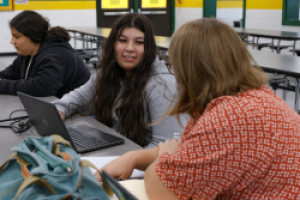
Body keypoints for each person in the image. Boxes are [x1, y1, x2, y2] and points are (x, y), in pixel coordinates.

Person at [96, 18, 300, 200]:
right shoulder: (254, 96)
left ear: (191, 70)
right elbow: (185, 147)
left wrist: (162, 159)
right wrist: (133, 157)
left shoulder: (227, 117)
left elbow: (161, 192)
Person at [52, 13, 188, 148]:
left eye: (139, 42)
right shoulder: (108, 73)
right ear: (113, 45)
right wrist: (59, 110)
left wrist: (126, 161)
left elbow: (167, 146)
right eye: (123, 40)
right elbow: (78, 98)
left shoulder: (163, 86)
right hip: (118, 149)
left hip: (145, 164)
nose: (129, 48)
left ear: (149, 49)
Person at [0, 10, 90, 98]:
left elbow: (42, 87)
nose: (12, 41)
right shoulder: (26, 54)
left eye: (17, 37)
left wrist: (3, 85)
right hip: (57, 105)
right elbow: (11, 73)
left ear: (32, 35)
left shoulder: (53, 55)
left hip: (79, 109)